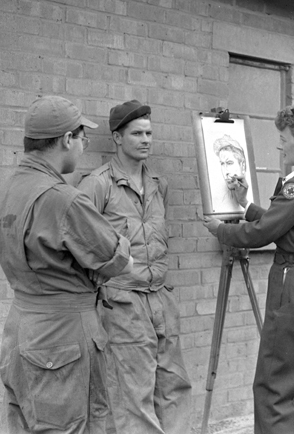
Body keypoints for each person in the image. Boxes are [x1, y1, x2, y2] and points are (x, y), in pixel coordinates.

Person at [0, 96, 133, 433]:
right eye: (82, 138)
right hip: (63, 337)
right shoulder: (62, 198)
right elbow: (119, 259)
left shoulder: (6, 191)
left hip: (20, 329)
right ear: (67, 139)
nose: (82, 146)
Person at [202, 104, 294, 434]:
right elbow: (287, 225)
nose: (280, 145)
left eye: (284, 138)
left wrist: (220, 229)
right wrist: (248, 206)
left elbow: (264, 233)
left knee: (274, 391)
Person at [78, 100, 192, 434]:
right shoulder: (98, 185)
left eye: (149, 133)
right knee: (134, 396)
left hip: (161, 298)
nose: (146, 140)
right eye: (137, 133)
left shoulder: (159, 183)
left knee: (175, 386)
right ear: (116, 137)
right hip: (123, 303)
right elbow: (81, 246)